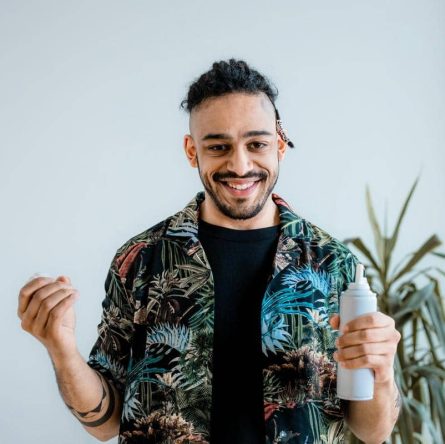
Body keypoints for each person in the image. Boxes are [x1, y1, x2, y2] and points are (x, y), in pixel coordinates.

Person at [18, 59, 402, 444]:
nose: (240, 165)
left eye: (257, 144)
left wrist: (382, 372)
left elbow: (374, 431)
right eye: (218, 146)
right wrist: (61, 349)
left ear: (280, 146)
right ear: (192, 151)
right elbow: (104, 424)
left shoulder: (334, 264)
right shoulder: (140, 259)